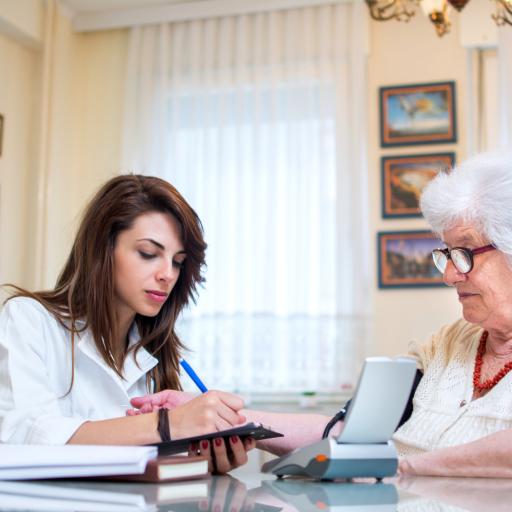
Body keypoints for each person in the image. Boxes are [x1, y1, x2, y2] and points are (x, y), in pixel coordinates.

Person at [128, 151, 512, 478]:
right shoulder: (442, 347)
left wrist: (401, 470)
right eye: (444, 254)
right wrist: (221, 416)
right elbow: (349, 431)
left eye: (463, 253)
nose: (448, 274)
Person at [0, 175, 254, 473]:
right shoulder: (29, 319)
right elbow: (23, 439)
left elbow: (158, 463)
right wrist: (167, 425)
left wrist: (203, 459)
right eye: (149, 253)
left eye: (178, 261)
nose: (167, 274)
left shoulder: (160, 353)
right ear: (103, 249)